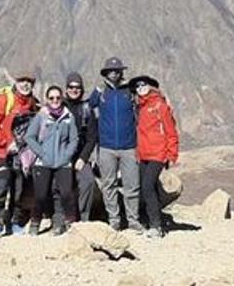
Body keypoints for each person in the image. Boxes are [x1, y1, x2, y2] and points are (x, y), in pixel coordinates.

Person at [88, 56, 143, 233]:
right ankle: (114, 220)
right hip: (106, 147)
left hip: (129, 147)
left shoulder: (130, 92)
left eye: (117, 70)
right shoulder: (99, 93)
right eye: (111, 70)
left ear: (121, 72)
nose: (114, 73)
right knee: (108, 185)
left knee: (132, 185)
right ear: (105, 73)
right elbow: (88, 112)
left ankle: (133, 220)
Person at [0, 72, 37, 237]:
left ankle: (14, 222)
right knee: (2, 187)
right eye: (22, 81)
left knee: (19, 188)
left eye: (29, 82)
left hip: (22, 155)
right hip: (3, 153)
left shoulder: (31, 102)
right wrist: (6, 143)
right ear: (16, 82)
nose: (25, 84)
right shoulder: (4, 99)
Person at [24, 85, 80, 236]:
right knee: (41, 195)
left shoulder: (68, 117)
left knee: (67, 193)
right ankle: (35, 222)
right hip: (43, 162)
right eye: (51, 98)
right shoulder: (41, 116)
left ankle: (70, 223)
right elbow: (29, 137)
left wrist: (67, 155)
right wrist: (42, 153)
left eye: (58, 98)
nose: (55, 100)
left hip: (63, 162)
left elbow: (74, 139)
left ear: (62, 99)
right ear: (47, 100)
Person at [131, 75, 179, 238]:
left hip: (158, 154)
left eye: (143, 85)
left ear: (151, 86)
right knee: (145, 188)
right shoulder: (140, 107)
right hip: (144, 154)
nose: (140, 89)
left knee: (147, 186)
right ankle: (154, 219)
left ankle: (156, 226)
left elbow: (171, 131)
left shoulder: (160, 105)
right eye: (137, 87)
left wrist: (171, 154)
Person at [63, 72, 99, 221]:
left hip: (79, 156)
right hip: (61, 156)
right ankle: (64, 216)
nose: (74, 90)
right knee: (61, 183)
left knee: (88, 181)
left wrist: (83, 158)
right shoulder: (59, 106)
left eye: (77, 87)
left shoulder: (86, 109)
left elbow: (92, 138)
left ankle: (83, 217)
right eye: (71, 87)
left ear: (82, 90)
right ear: (66, 89)